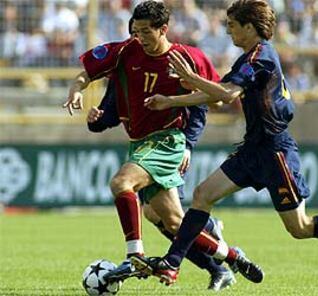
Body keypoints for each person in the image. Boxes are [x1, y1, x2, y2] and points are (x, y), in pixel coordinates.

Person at [135, 0, 318, 286]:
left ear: (249, 27)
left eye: (232, 26)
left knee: (300, 227)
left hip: (275, 152)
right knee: (202, 195)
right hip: (253, 149)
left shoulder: (261, 57)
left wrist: (190, 78)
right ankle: (173, 263)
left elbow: (227, 94)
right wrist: (172, 101)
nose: (228, 31)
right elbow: (217, 94)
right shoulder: (247, 58)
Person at [63, 0, 262, 290]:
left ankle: (134, 256)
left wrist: (189, 95)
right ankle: (231, 257)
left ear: (163, 29)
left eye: (145, 31)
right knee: (172, 222)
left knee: (121, 183)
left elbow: (218, 98)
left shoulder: (188, 58)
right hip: (139, 144)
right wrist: (76, 91)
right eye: (136, 31)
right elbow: (86, 72)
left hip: (167, 141)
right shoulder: (124, 51)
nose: (139, 37)